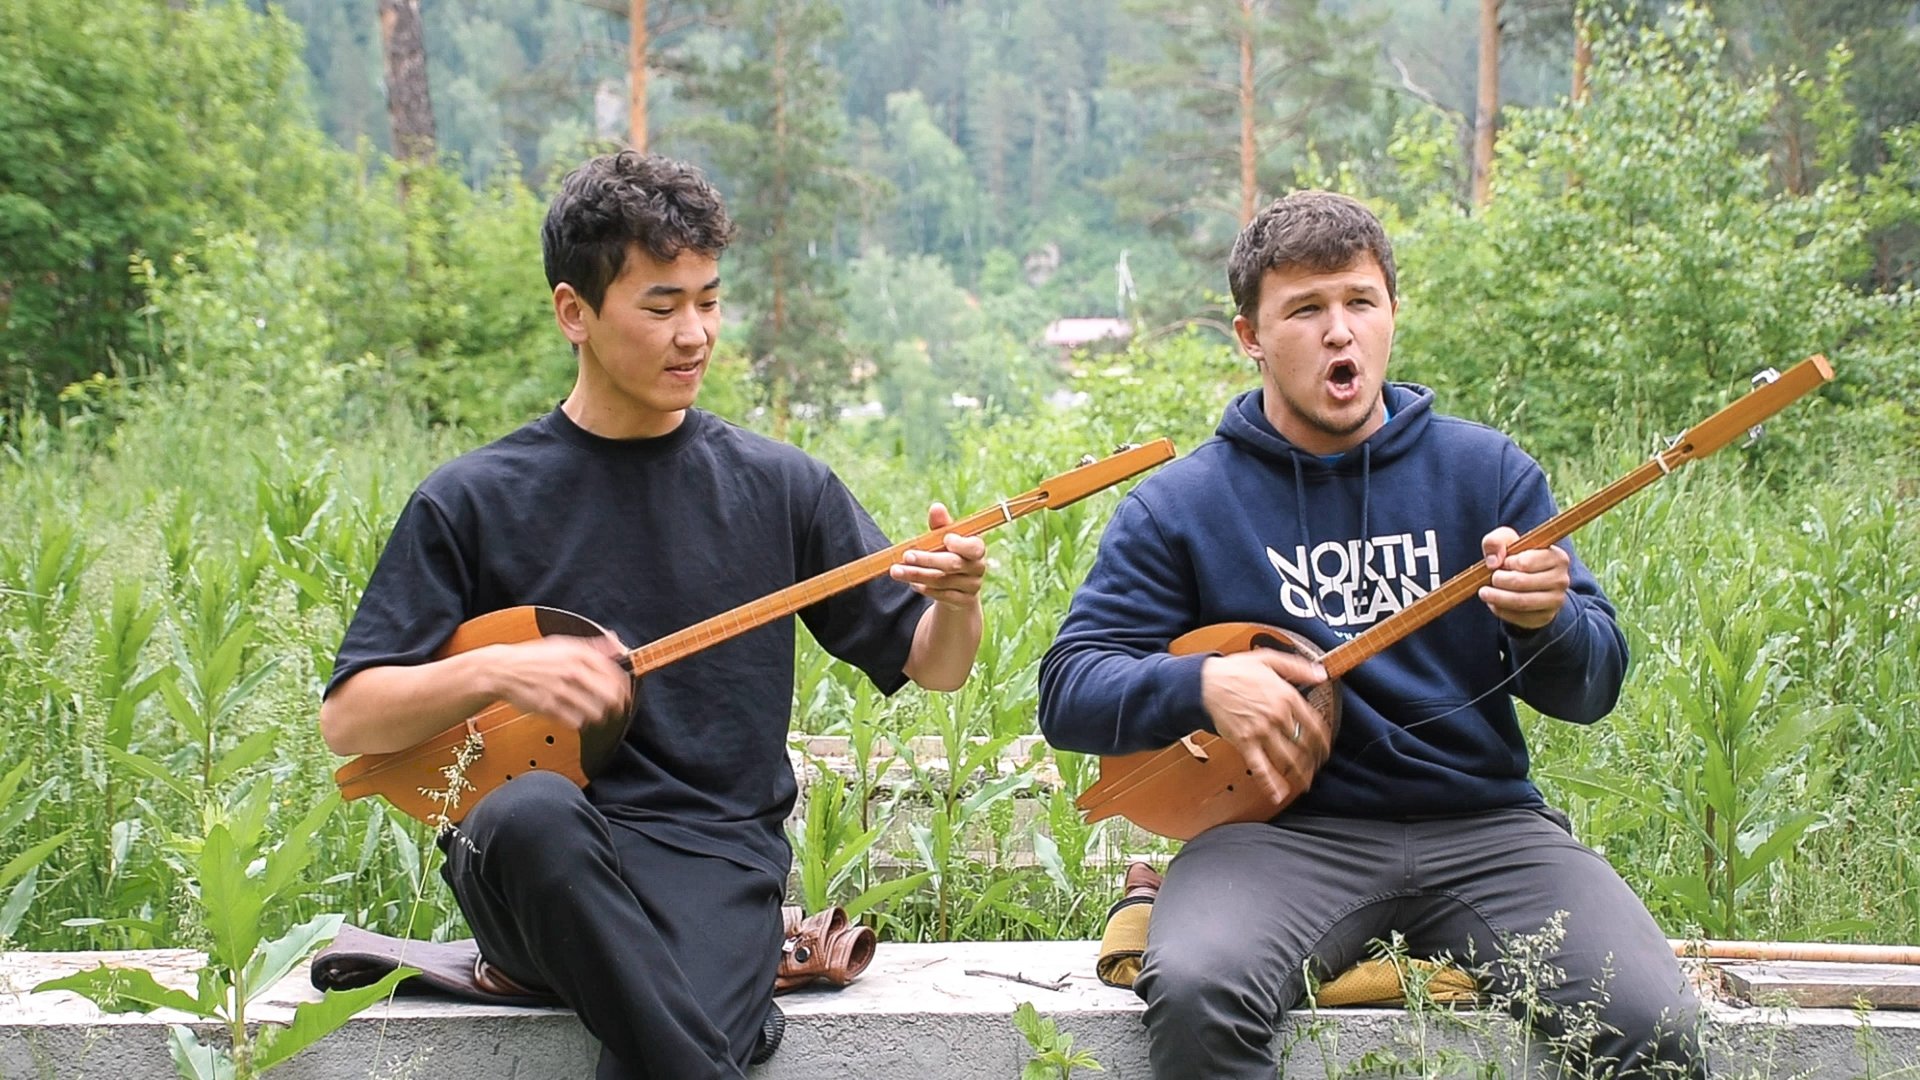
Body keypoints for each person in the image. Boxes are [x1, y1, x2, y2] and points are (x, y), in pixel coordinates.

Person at [318, 151, 987, 1080]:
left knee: (664, 1050)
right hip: (529, 865)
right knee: (534, 813)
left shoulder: (779, 486)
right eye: (662, 305)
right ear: (574, 313)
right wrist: (496, 671)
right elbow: (349, 719)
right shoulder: (473, 499)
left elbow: (934, 663)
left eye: (709, 301)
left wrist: (957, 603)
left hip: (712, 856)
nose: (696, 335)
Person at [1037, 191, 1701, 1078]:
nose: (1338, 331)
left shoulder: (1488, 473)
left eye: (1360, 302)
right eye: (1305, 310)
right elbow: (1070, 691)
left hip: (1489, 828)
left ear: (1392, 312)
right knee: (1198, 990)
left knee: (1654, 1022)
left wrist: (1549, 621)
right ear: (1251, 337)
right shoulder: (1182, 507)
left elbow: (1593, 690)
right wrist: (1203, 686)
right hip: (1277, 840)